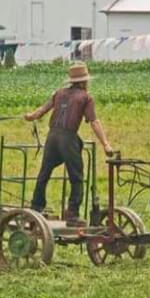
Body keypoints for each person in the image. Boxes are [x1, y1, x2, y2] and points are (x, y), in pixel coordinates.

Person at [24, 63, 114, 227]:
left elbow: (40, 111)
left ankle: (36, 207)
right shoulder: (86, 98)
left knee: (44, 173)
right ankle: (72, 213)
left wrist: (30, 116)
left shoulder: (59, 93)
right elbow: (94, 122)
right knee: (77, 177)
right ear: (84, 82)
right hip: (68, 138)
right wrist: (106, 144)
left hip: (52, 137)